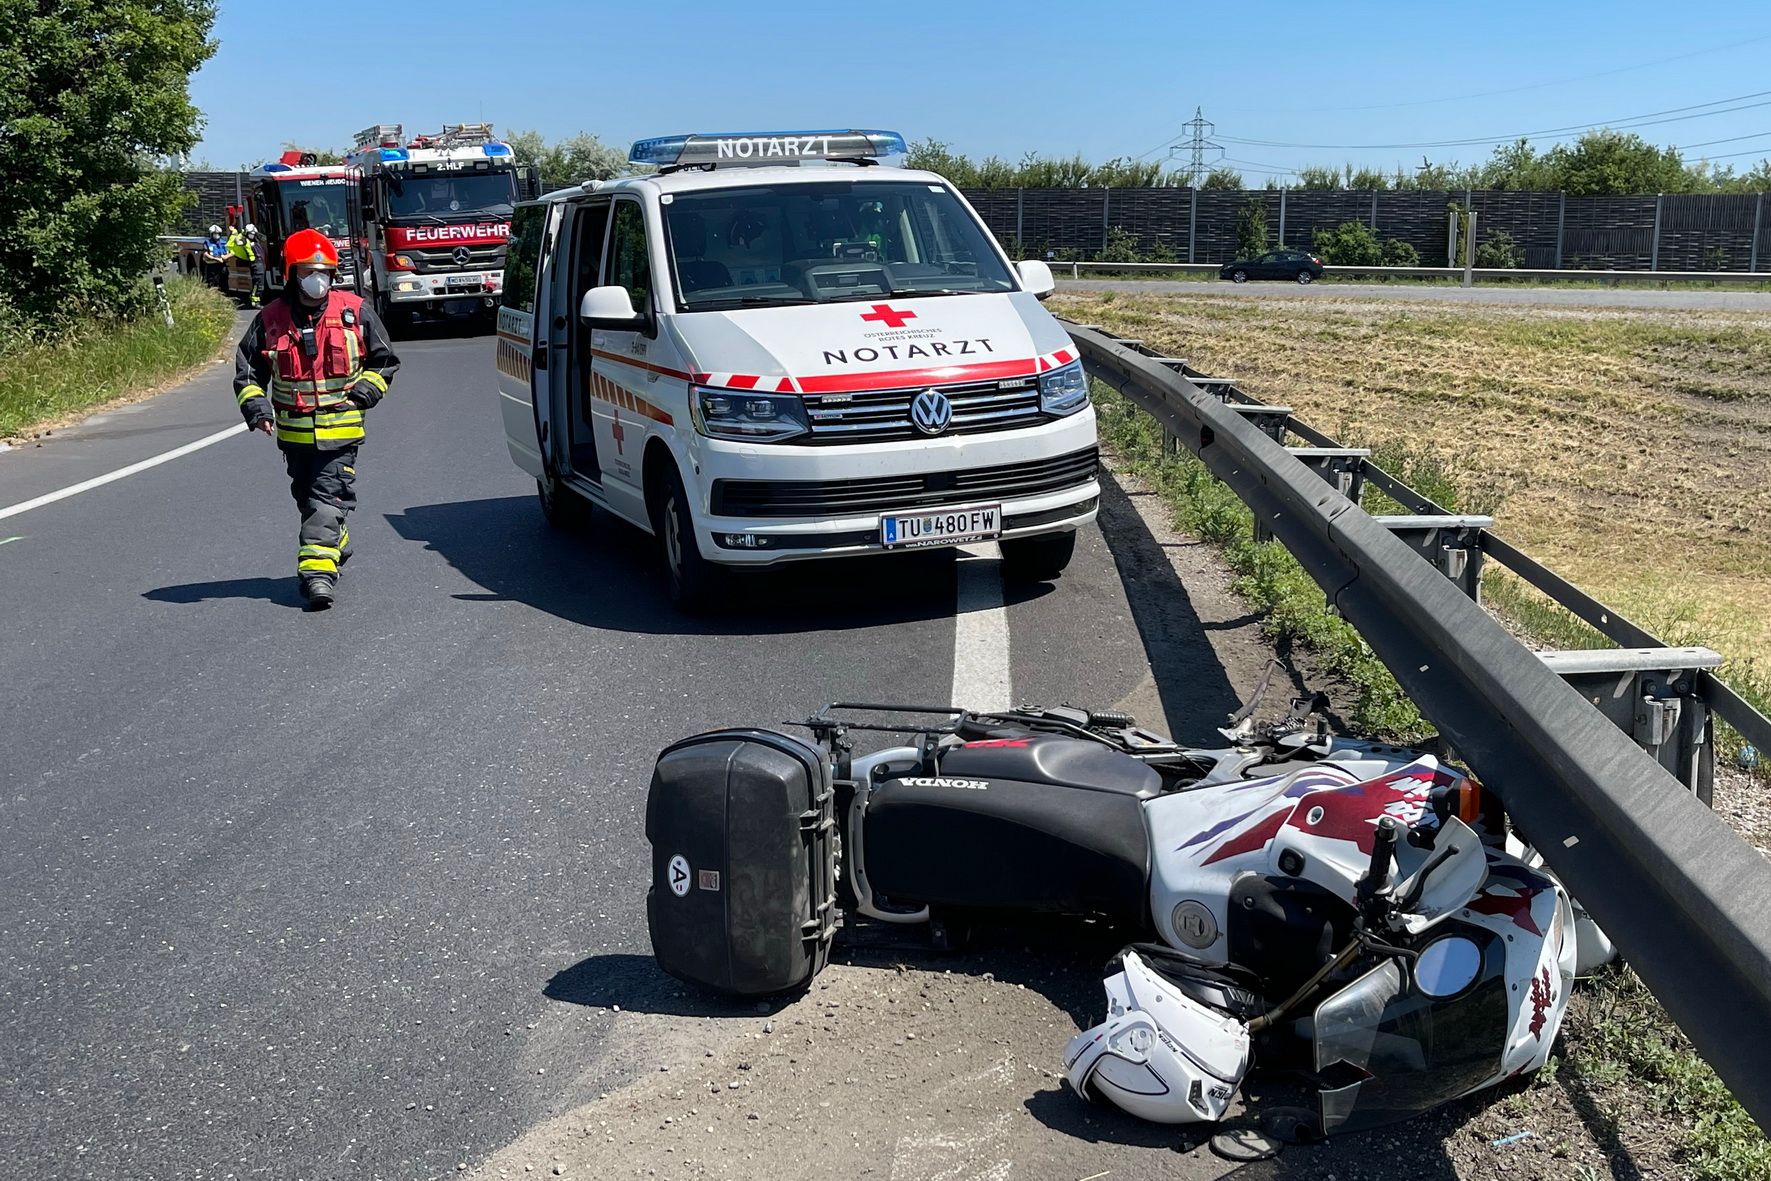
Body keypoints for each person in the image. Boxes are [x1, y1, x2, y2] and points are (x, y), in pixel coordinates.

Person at [232, 229, 399, 610]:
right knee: (311, 502)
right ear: (292, 273)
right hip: (293, 438)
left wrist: (366, 391)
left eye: (324, 270)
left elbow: (385, 360)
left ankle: (317, 575)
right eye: (309, 270)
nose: (317, 278)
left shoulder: (355, 311)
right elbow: (248, 374)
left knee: (324, 502)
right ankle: (334, 538)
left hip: (341, 434)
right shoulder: (270, 319)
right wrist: (257, 410)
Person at [226, 222, 264, 307]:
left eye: (253, 234)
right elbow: (237, 242)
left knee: (260, 284)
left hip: (260, 263)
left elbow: (263, 237)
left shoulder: (256, 240)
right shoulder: (244, 240)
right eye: (250, 234)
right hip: (255, 264)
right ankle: (254, 301)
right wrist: (237, 233)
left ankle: (256, 300)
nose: (252, 235)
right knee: (257, 284)